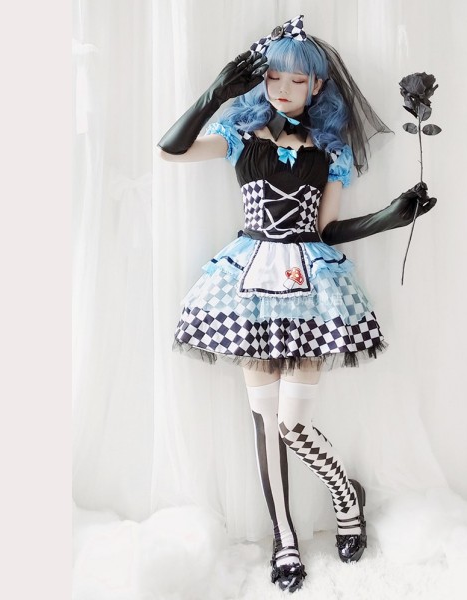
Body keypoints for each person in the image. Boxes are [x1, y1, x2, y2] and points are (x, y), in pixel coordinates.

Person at [157, 15, 436, 593]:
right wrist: (216, 92)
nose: (282, 88)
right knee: (266, 425)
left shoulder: (330, 152)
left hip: (311, 288)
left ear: (318, 86)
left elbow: (327, 229)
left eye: (297, 79)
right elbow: (170, 149)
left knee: (292, 424)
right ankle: (283, 537)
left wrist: (391, 217)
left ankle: (345, 494)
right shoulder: (241, 136)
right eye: (273, 77)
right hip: (249, 287)